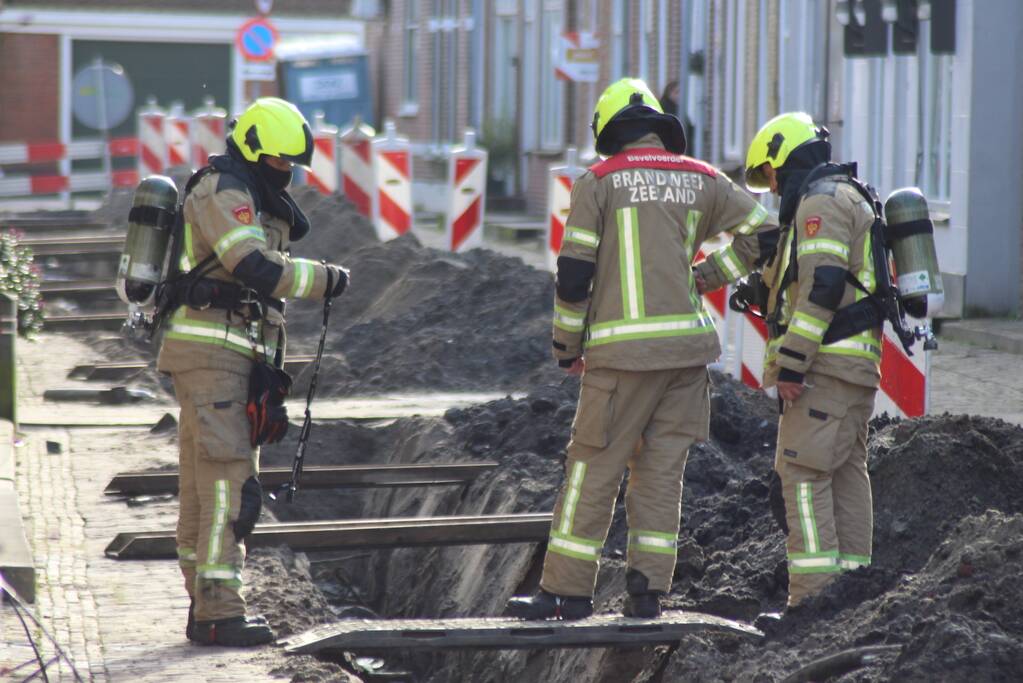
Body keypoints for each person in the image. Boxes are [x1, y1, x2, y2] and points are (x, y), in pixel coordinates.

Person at [505, 78, 779, 620]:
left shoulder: (598, 182)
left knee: (593, 468)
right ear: (658, 125)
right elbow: (766, 234)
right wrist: (706, 277)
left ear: (609, 131)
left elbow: (574, 275)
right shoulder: (703, 178)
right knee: (660, 473)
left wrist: (566, 345)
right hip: (686, 358)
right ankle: (648, 593)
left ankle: (566, 592)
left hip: (621, 361)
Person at [156, 97, 349, 646]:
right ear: (254, 149)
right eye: (279, 160)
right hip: (212, 355)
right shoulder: (224, 191)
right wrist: (326, 279)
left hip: (227, 355)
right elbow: (254, 266)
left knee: (204, 487)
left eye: (292, 163)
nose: (286, 171)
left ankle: (205, 608)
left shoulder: (249, 191)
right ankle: (220, 613)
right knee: (229, 486)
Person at [735, 111, 881, 607]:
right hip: (853, 368)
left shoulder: (820, 202)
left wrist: (793, 363)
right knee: (845, 474)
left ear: (784, 158)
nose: (774, 188)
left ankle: (811, 601)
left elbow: (823, 285)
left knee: (801, 476)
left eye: (771, 175)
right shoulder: (847, 195)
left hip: (824, 368)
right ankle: (852, 596)